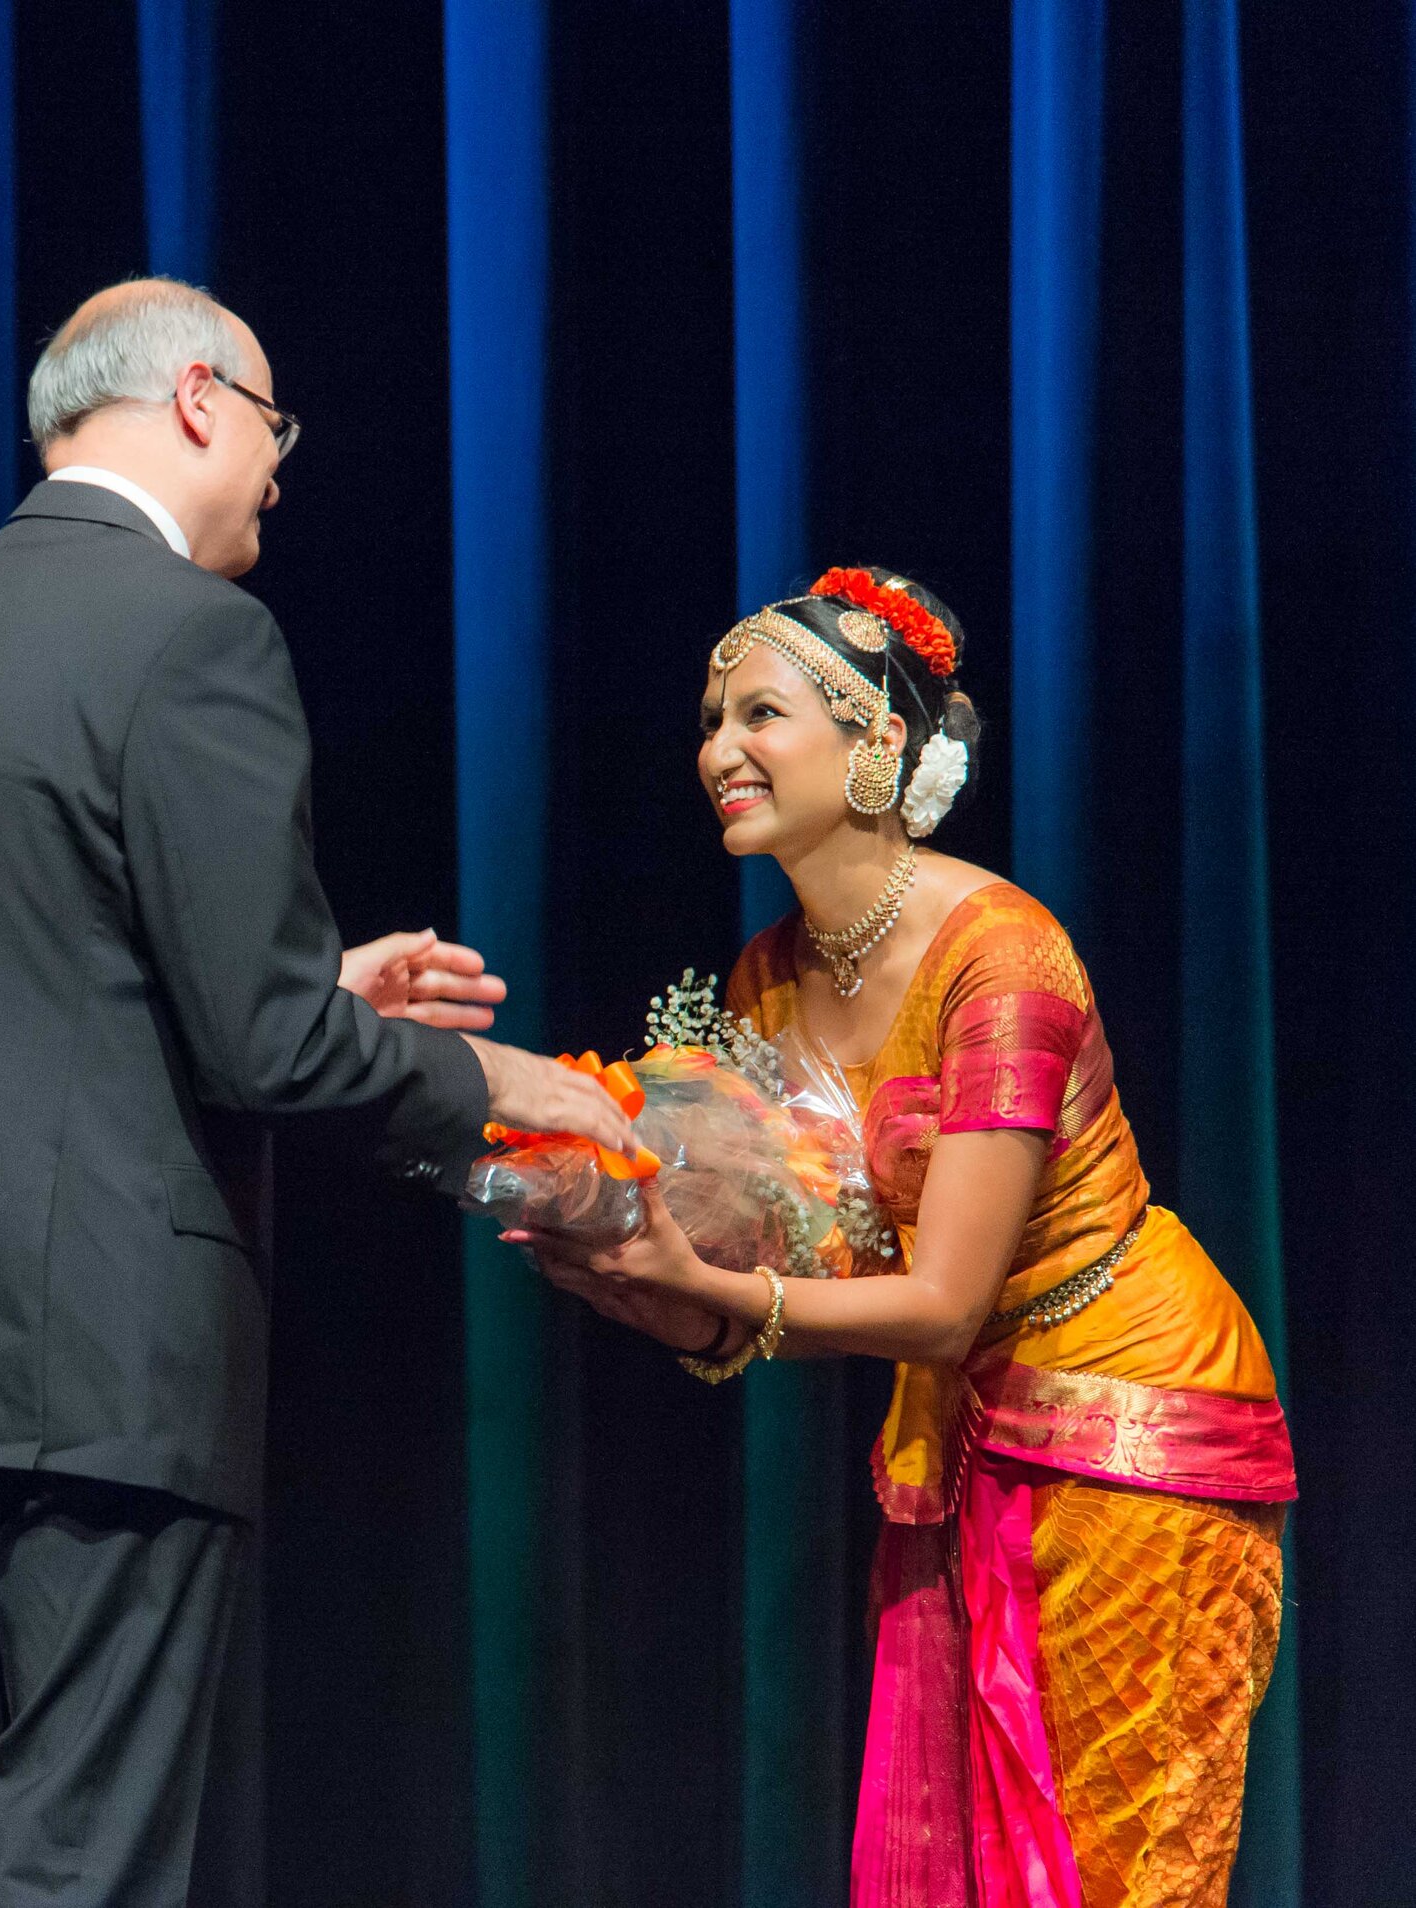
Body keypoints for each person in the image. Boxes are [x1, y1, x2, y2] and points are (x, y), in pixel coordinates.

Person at [0, 277, 634, 1907]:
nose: (281, 468)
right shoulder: (195, 633)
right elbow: (263, 1050)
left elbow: (31, 990)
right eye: (275, 425)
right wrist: (514, 1077)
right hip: (104, 1351)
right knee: (82, 1870)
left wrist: (315, 989)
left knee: (23, 1831)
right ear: (199, 399)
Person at [530, 567, 1295, 1907]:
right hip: (962, 1433)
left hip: (1133, 1425)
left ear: (877, 743)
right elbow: (812, 1257)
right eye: (711, 721)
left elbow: (938, 1301)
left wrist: (713, 1289)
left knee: (1119, 1869)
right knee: (959, 1863)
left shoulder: (1003, 961)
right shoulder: (773, 976)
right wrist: (623, 1242)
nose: (719, 751)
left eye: (760, 714)